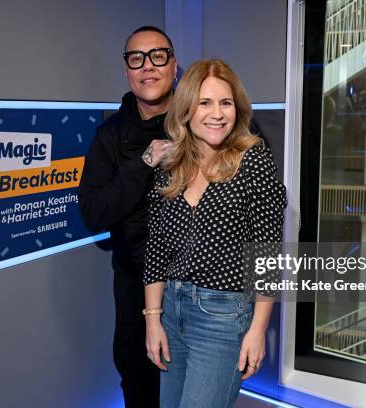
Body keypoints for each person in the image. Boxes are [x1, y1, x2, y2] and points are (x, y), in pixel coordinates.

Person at [142, 59, 287, 408]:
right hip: (171, 311)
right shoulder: (171, 166)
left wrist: (257, 330)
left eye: (226, 103)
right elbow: (157, 249)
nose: (217, 113)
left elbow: (267, 253)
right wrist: (153, 319)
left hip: (221, 317)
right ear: (186, 109)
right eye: (205, 102)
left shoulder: (253, 160)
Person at [78, 26, 176, 408]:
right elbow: (94, 213)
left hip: (198, 289)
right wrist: (145, 162)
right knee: (141, 385)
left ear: (172, 63)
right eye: (137, 58)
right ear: (127, 69)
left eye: (157, 56)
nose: (147, 67)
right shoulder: (110, 135)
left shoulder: (203, 121)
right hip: (135, 286)